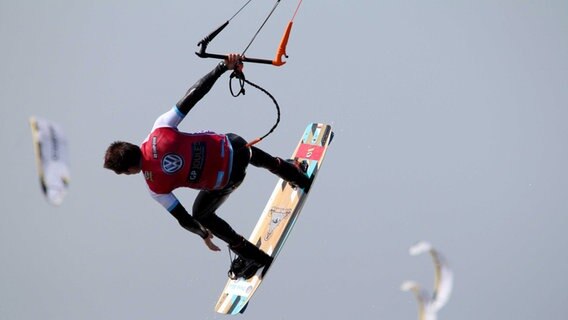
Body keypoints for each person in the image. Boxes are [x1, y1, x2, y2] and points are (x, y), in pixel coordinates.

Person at [103, 54, 310, 279]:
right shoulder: (160, 128)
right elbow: (194, 94)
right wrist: (222, 67)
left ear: (128, 171)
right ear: (132, 145)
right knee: (237, 145)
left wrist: (203, 234)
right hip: (238, 149)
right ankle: (293, 172)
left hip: (230, 179)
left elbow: (184, 219)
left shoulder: (155, 188)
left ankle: (251, 254)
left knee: (200, 213)